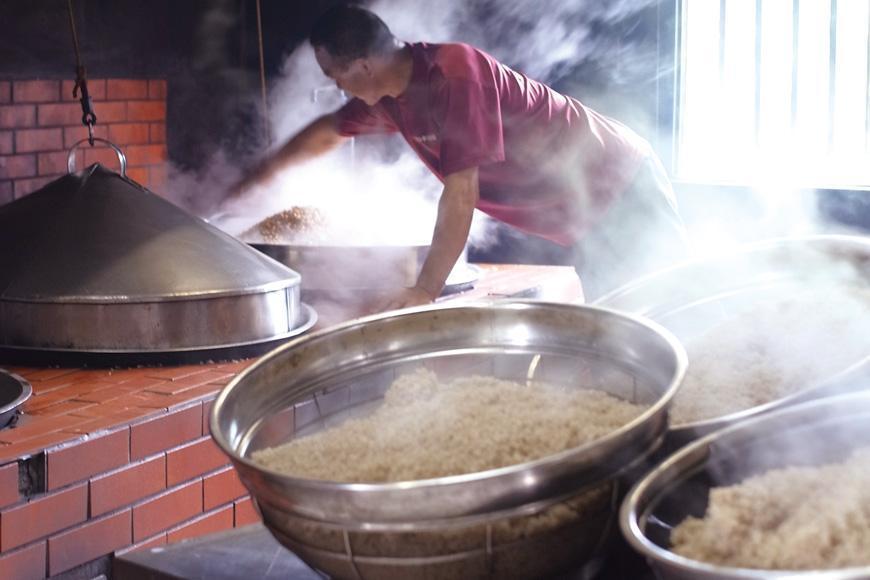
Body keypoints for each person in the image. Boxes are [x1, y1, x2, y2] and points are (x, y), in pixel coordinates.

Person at [227, 3, 688, 306]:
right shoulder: (389, 96)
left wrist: (424, 289)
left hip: (623, 185)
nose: (334, 84)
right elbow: (329, 131)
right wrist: (255, 179)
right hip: (587, 217)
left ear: (363, 65)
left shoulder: (455, 75)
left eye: (334, 73)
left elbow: (461, 192)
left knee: (673, 315)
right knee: (617, 333)